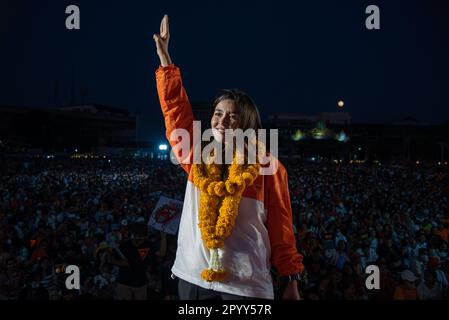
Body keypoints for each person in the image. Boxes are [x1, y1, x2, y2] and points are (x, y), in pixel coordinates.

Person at [152, 15, 305, 300]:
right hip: (192, 277)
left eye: (233, 116)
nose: (222, 121)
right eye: (218, 114)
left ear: (246, 124)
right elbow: (175, 114)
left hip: (244, 287)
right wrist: (165, 60)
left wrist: (291, 278)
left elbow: (281, 227)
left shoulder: (269, 167)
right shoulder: (196, 156)